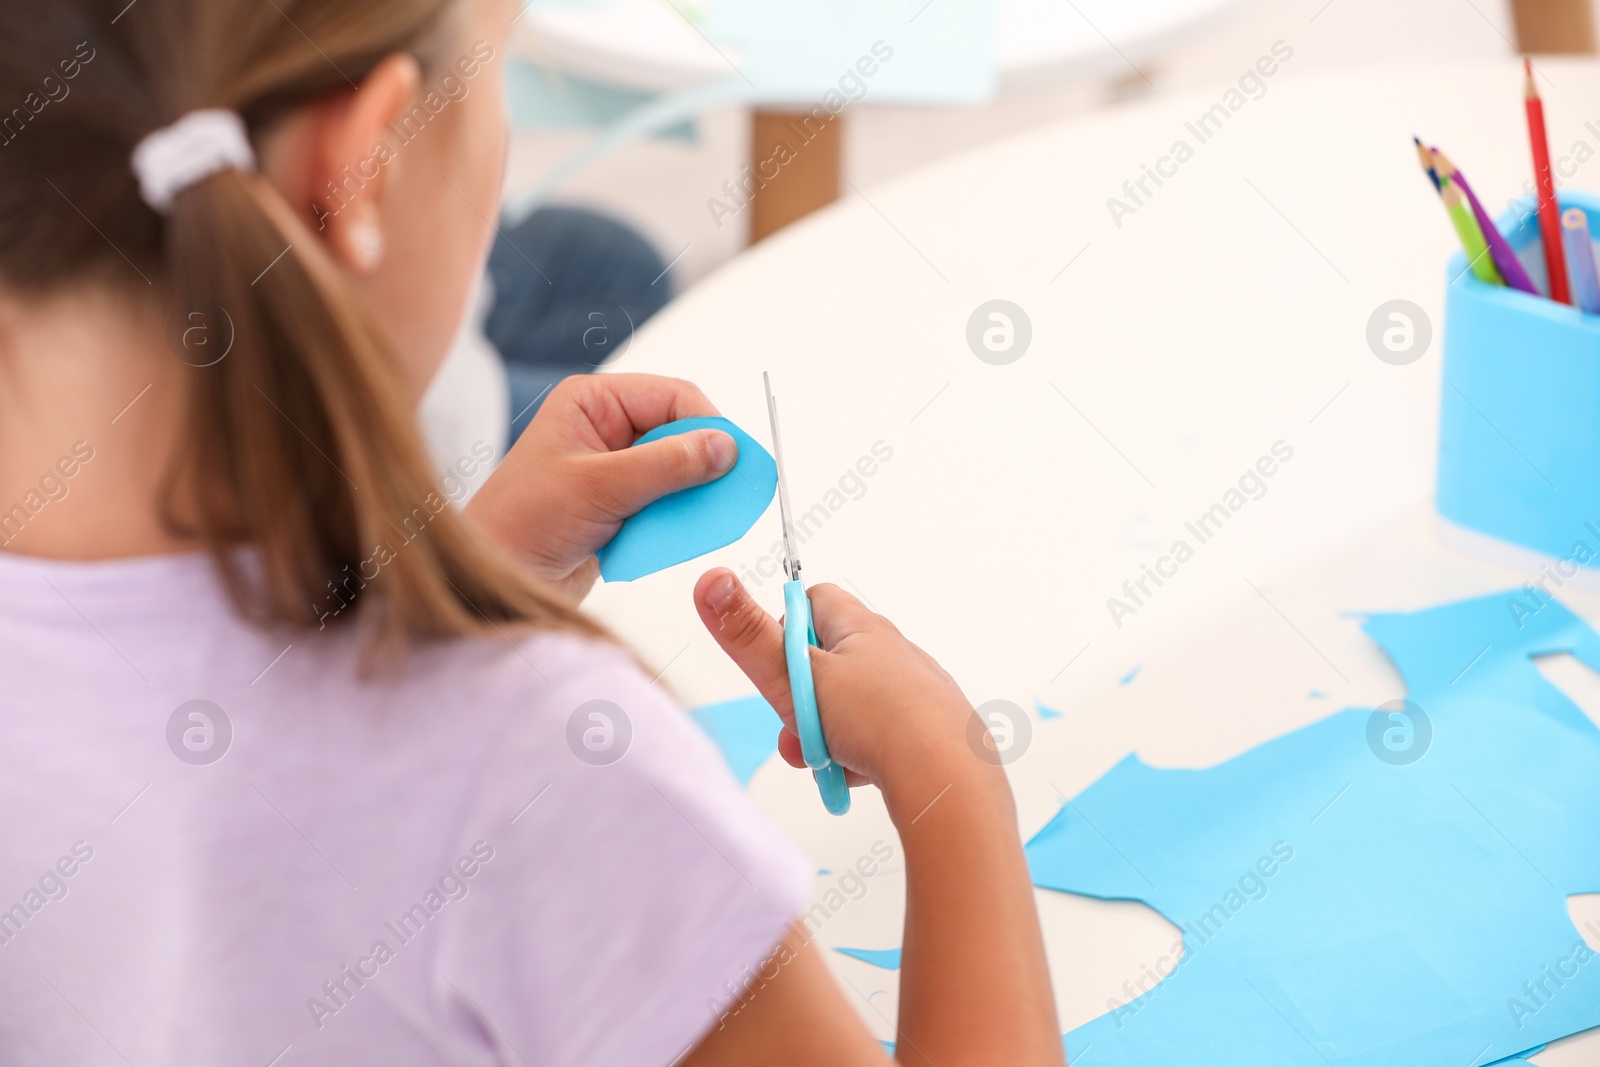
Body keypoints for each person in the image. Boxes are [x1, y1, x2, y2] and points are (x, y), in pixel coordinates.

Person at [0, 0, 1062, 1064]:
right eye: (498, 71)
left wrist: (468, 579)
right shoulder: (557, 774)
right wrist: (951, 780)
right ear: (368, 161)